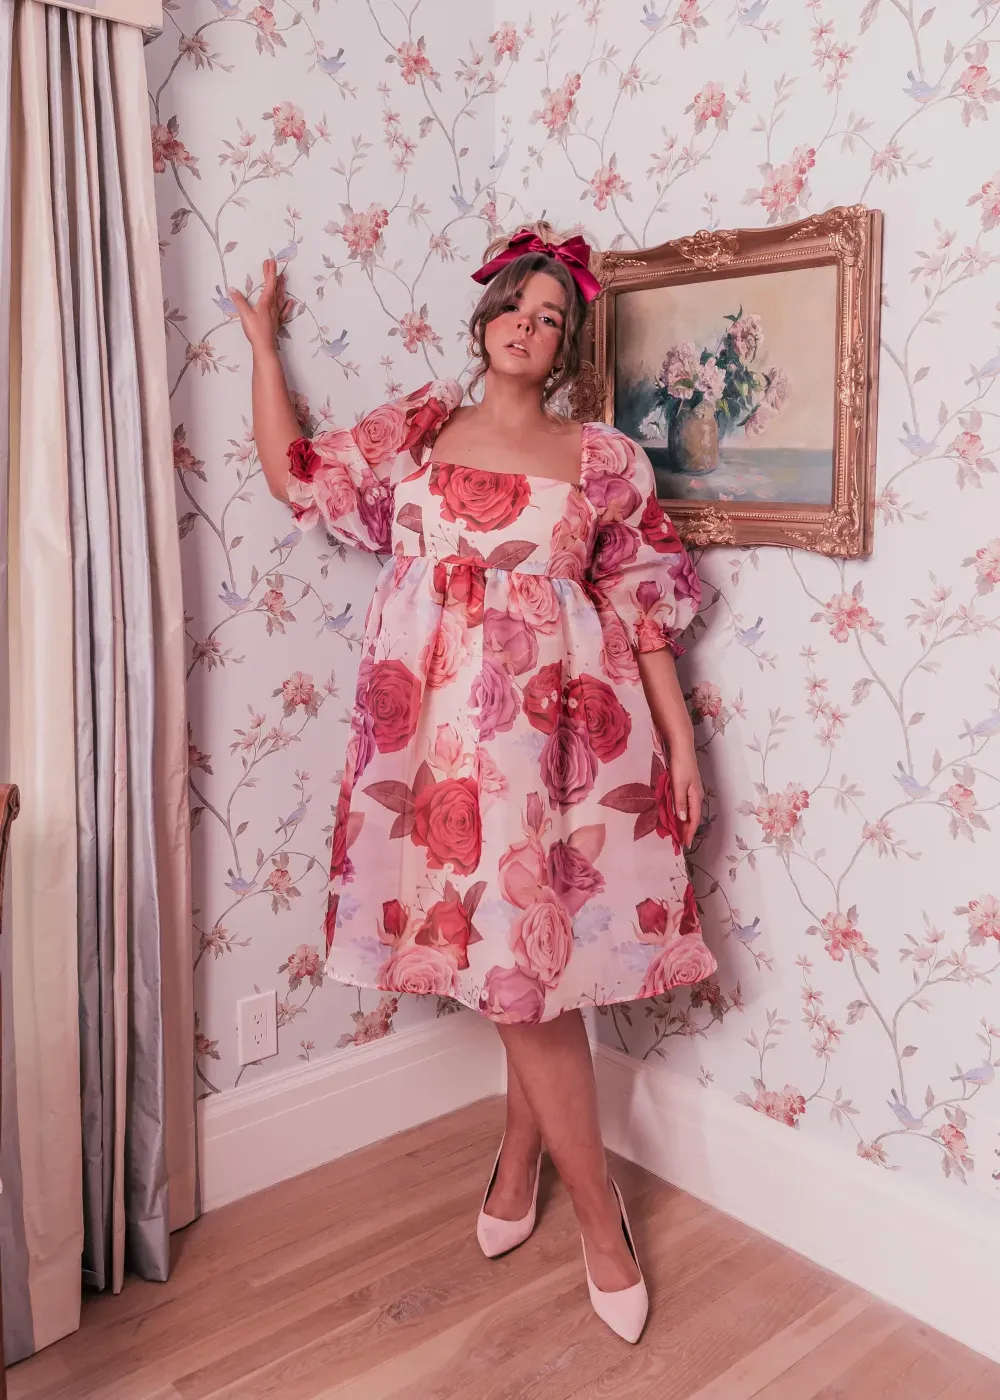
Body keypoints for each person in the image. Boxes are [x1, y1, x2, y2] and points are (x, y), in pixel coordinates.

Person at [231, 224, 716, 1344]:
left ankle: (590, 1210)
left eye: (552, 318)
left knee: (526, 961)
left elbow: (643, 608)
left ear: (566, 346)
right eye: (516, 306)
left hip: (561, 742)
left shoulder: (603, 461)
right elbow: (295, 475)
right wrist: (262, 349)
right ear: (484, 318)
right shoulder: (419, 431)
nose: (528, 327)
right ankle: (537, 1166)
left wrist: (681, 743)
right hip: (434, 742)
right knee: (514, 965)